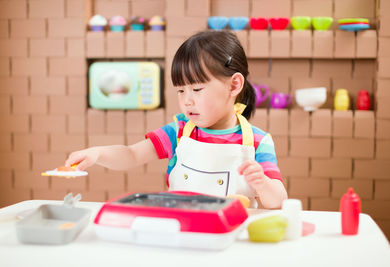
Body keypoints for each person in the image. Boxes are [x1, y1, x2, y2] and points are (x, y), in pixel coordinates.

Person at [65, 30, 288, 209]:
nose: (187, 101)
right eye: (181, 91)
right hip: (181, 232)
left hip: (231, 241)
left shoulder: (258, 141)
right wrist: (97, 154)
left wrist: (262, 182)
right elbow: (131, 154)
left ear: (234, 85)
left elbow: (277, 200)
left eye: (197, 89)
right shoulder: (178, 132)